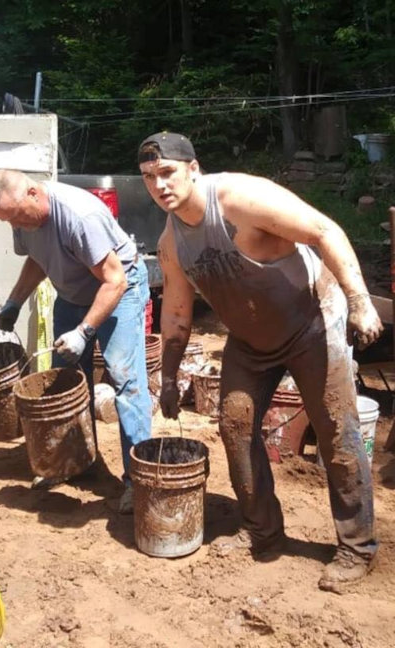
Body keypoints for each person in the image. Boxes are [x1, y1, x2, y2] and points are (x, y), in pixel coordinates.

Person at [138, 131, 382, 592]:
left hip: (312, 320)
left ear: (193, 169)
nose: (159, 185)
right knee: (234, 423)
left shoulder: (239, 198)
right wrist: (167, 378)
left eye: (167, 172)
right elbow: (174, 312)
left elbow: (324, 230)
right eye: (149, 177)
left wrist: (359, 300)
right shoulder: (171, 242)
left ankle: (357, 546)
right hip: (250, 340)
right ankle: (261, 529)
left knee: (336, 430)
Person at [0, 169, 151, 512]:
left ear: (32, 193)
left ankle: (139, 481)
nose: (13, 224)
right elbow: (37, 259)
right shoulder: (22, 218)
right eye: (6, 220)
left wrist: (84, 332)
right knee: (67, 385)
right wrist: (14, 301)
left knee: (125, 381)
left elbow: (115, 280)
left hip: (120, 290)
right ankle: (74, 463)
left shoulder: (79, 216)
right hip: (73, 296)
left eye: (15, 215)